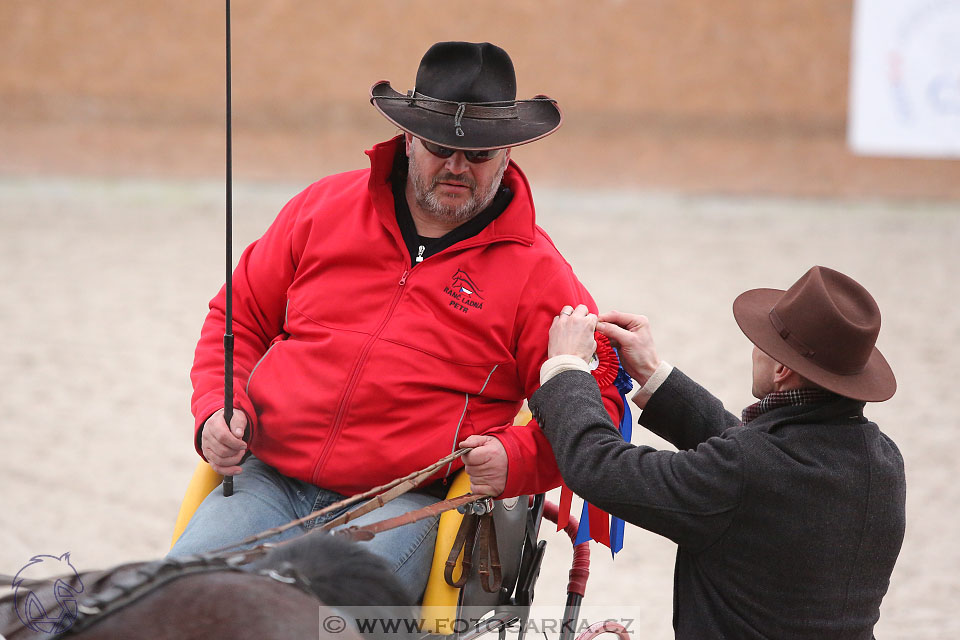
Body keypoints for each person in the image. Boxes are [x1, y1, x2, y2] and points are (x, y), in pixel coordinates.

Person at [169, 41, 623, 601]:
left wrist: (516, 458)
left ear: (507, 152)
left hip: (410, 502)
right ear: (409, 138)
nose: (457, 165)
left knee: (325, 623)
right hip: (266, 479)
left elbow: (598, 407)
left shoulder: (543, 275)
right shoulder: (320, 207)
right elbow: (234, 319)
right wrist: (216, 407)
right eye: (439, 146)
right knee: (174, 601)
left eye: (478, 153)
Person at [530, 266, 905, 639]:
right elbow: (760, 463)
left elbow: (599, 467)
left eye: (764, 340)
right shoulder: (884, 460)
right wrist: (653, 374)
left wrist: (567, 369)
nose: (756, 348)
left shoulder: (748, 470)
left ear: (780, 369)